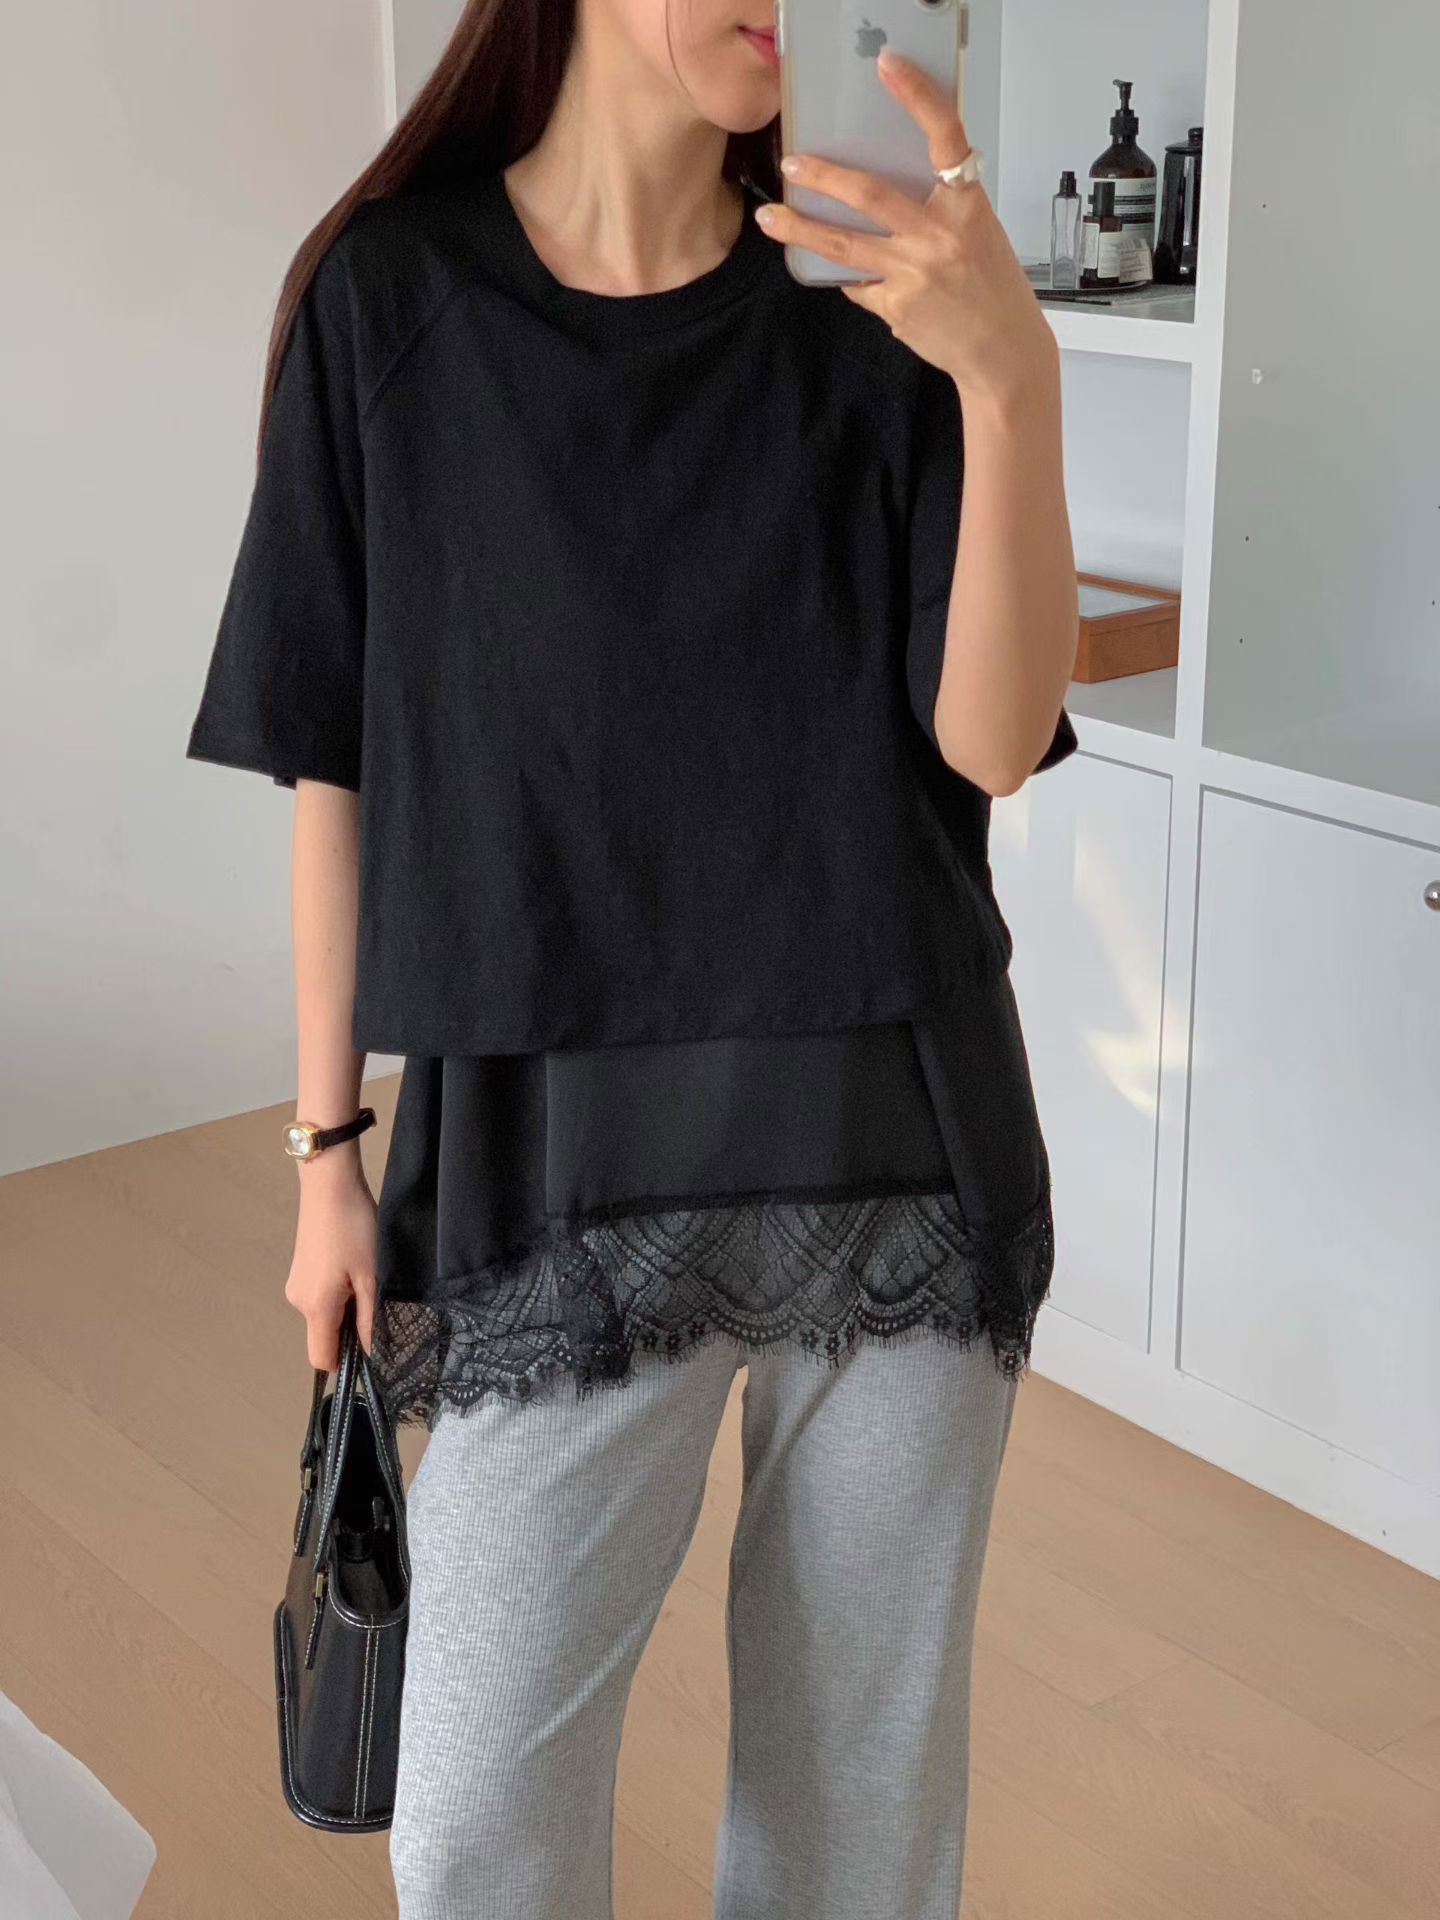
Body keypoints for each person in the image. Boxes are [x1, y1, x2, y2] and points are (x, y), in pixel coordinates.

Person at [185, 2, 1079, 1913]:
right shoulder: (391, 301)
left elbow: (995, 745)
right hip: (556, 1163)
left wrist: (1013, 385)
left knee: (853, 1835)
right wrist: (326, 1153)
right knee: (473, 1828)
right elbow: (330, 755)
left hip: (898, 1143)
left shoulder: (877, 299)